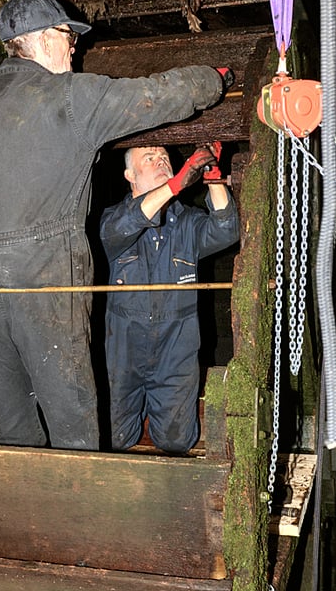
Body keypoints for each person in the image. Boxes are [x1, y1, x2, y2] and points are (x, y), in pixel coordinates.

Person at [0, 0, 228, 451]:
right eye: (66, 36)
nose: (73, 47)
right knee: (72, 416)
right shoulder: (70, 96)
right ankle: (81, 516)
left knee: (6, 421)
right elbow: (157, 96)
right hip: (41, 281)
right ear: (40, 40)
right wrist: (213, 81)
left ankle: (25, 513)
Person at [100, 141, 239, 454]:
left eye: (164, 156)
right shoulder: (111, 220)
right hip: (123, 350)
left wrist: (213, 176)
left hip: (176, 348)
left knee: (177, 441)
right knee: (116, 439)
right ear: (129, 175)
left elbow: (227, 229)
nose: (160, 159)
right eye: (148, 157)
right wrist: (177, 184)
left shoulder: (187, 223)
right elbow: (129, 222)